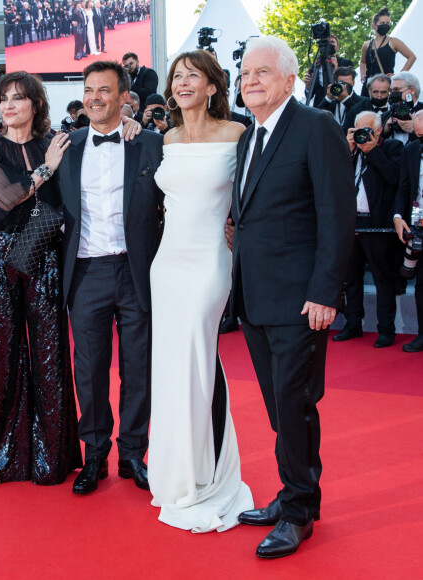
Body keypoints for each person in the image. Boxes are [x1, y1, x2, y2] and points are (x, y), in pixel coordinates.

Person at [226, 36, 355, 558]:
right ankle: (291, 493)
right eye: (245, 74)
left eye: (261, 72)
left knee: (296, 405)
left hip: (301, 301)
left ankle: (300, 510)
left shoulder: (316, 127)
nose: (250, 81)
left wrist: (325, 291)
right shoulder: (247, 138)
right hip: (256, 298)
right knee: (282, 409)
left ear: (288, 79)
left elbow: (336, 216)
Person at [147, 50, 254, 533]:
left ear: (212, 86)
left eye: (193, 76)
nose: (183, 82)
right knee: (172, 365)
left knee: (197, 353)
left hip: (210, 262)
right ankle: (178, 471)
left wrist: (242, 228)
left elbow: (258, 190)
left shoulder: (237, 135)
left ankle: (208, 474)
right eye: (177, 76)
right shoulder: (166, 137)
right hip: (166, 266)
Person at [56, 60, 163, 495]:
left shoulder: (151, 144)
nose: (95, 98)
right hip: (85, 272)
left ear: (124, 98)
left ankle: (133, 454)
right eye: (89, 90)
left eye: (104, 90)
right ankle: (95, 454)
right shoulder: (65, 145)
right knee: (90, 370)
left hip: (137, 271)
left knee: (138, 369)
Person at [0, 71, 82, 484]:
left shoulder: (54, 142)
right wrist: (45, 169)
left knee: (51, 354)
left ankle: (53, 458)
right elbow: (5, 196)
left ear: (35, 104)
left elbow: (94, 143)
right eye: (3, 99)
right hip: (0, 262)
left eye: (18, 98)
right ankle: (7, 458)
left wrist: (130, 123)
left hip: (45, 258)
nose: (8, 105)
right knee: (5, 355)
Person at [333, 111, 403, 347]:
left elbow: (394, 177)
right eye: (358, 130)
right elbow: (333, 177)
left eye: (368, 130)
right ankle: (353, 324)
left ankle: (386, 330)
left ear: (379, 130)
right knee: (351, 278)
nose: (363, 135)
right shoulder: (348, 151)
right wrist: (348, 147)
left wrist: (372, 151)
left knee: (383, 279)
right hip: (351, 223)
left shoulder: (392, 147)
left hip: (379, 226)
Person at [394, 110, 423, 353]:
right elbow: (404, 187)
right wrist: (397, 217)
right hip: (419, 222)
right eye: (418, 135)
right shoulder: (411, 150)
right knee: (421, 282)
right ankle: (422, 334)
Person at [360, 7, 416, 97]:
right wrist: (362, 73)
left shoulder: (393, 42)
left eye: (387, 23)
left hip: (385, 85)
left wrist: (399, 75)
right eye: (382, 23)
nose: (385, 25)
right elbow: (363, 62)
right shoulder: (367, 45)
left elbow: (411, 57)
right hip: (369, 85)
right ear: (374, 25)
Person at [304, 34, 353, 107]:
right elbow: (309, 96)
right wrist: (308, 87)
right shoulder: (316, 66)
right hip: (320, 106)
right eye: (326, 42)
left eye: (332, 42)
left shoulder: (346, 63)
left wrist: (336, 69)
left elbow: (349, 88)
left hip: (338, 105)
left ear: (337, 47)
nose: (328, 45)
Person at [382, 72, 423, 144]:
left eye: (396, 90)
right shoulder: (385, 116)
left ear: (412, 90)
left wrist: (416, 130)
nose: (392, 94)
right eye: (391, 91)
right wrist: (385, 131)